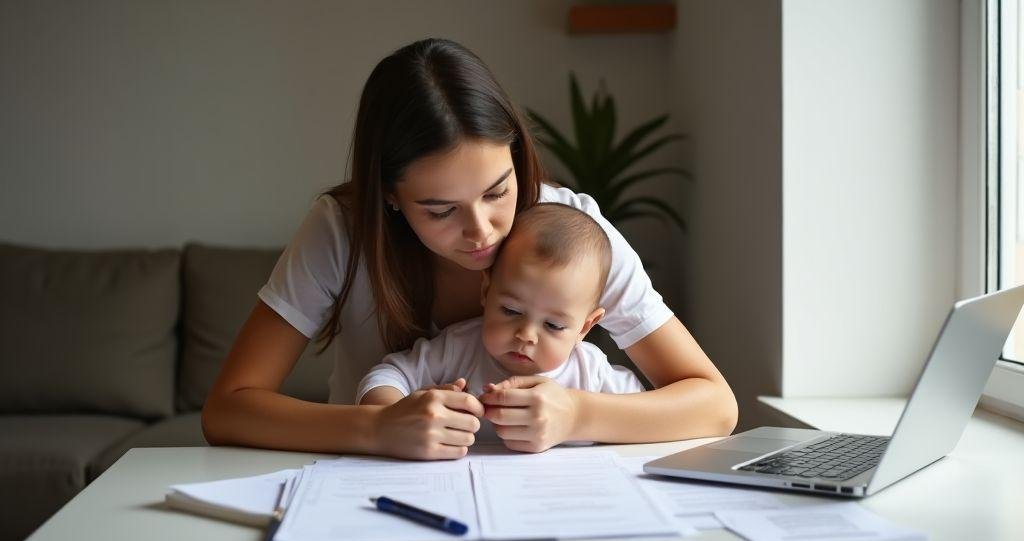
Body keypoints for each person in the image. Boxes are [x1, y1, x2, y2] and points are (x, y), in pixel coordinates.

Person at [201, 37, 737, 461]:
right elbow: (228, 409)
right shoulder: (343, 231)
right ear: (389, 195)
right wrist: (375, 427)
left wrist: (578, 415)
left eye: (498, 191)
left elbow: (714, 404)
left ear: (517, 157)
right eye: (440, 210)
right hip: (375, 488)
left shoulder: (571, 234)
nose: (481, 230)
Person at [357, 203, 645, 450]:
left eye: (554, 325)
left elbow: (639, 412)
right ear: (486, 291)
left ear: (585, 327)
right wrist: (393, 415)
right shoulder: (458, 347)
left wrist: (583, 418)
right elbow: (386, 375)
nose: (526, 335)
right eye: (511, 310)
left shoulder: (589, 371)